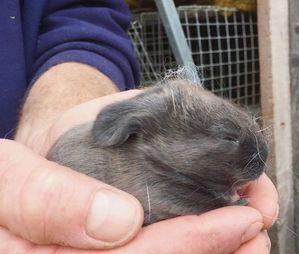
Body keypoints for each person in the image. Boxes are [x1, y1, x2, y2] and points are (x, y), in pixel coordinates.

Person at [0, 1, 279, 253]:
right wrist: (222, 204)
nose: (257, 158)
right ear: (157, 132)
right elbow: (167, 199)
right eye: (228, 137)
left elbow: (83, 16)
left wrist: (54, 114)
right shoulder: (144, 169)